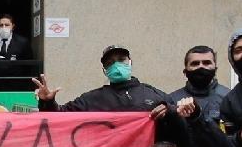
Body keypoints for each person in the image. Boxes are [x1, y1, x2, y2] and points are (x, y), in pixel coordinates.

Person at [169, 44, 238, 147]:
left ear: (215, 67)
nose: (201, 67)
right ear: (185, 70)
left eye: (206, 63)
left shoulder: (230, 98)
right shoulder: (172, 100)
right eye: (195, 63)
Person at [35, 46, 174, 115]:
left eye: (121, 60)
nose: (116, 65)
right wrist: (47, 101)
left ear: (131, 62)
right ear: (104, 70)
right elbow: (60, 116)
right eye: (110, 63)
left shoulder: (153, 94)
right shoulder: (92, 99)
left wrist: (170, 112)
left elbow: (179, 116)